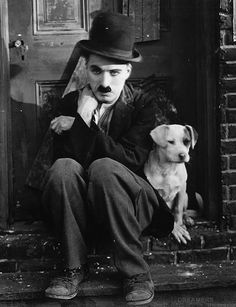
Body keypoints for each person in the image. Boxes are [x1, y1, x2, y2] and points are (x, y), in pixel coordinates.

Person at [42, 11, 190, 306]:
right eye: (97, 71)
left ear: (127, 72)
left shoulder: (142, 103)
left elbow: (131, 162)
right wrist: (82, 114)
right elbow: (68, 166)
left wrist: (83, 127)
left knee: (106, 167)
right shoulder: (72, 103)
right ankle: (72, 268)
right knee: (62, 168)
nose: (105, 83)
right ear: (85, 68)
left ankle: (135, 273)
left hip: (132, 203)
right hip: (87, 208)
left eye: (114, 72)